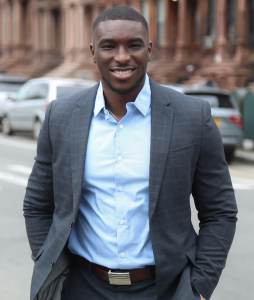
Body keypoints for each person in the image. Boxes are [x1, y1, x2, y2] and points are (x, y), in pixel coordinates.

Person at [23, 6, 237, 300]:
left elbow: (220, 212)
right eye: (108, 46)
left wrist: (199, 288)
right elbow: (37, 204)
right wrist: (46, 259)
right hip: (82, 287)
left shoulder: (192, 116)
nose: (122, 57)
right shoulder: (61, 117)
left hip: (165, 289)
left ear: (149, 49)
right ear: (93, 52)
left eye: (133, 45)